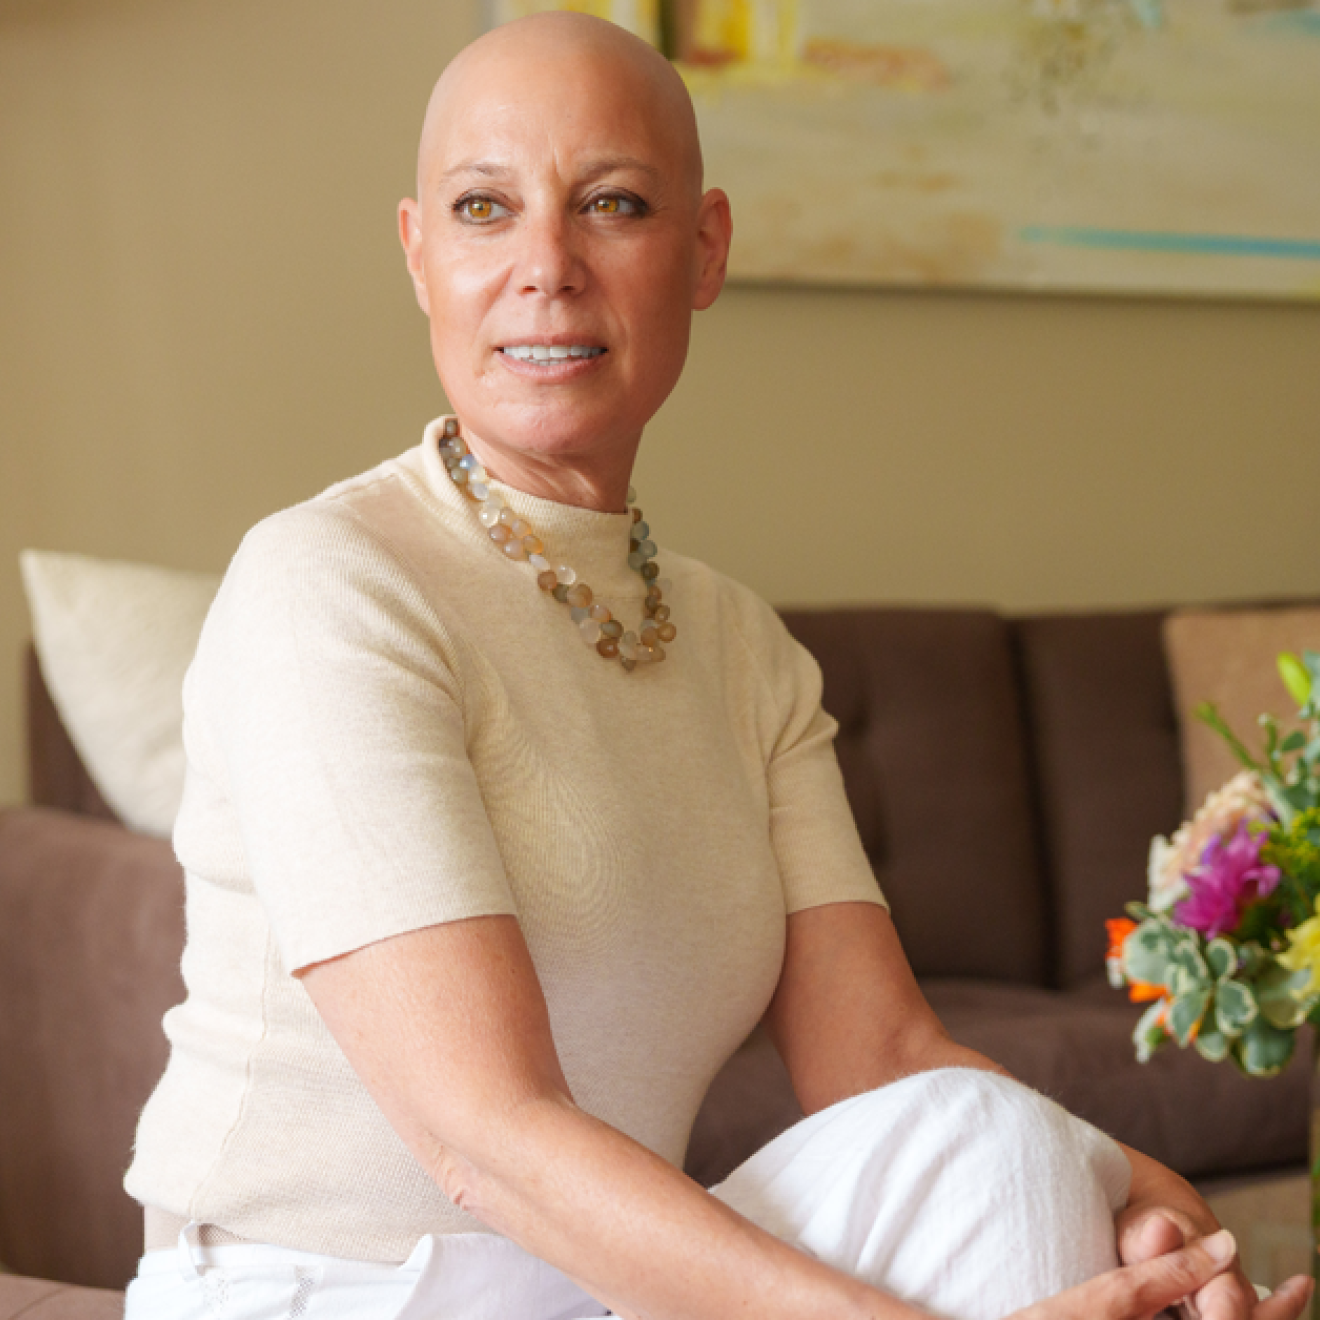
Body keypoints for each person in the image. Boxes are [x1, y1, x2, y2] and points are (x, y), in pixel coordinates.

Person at [122, 12, 1311, 1320]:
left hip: (594, 1283)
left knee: (997, 1150)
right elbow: (483, 1135)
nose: (545, 267)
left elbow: (884, 1056)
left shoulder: (742, 647)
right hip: (321, 1291)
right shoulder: (332, 582)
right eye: (483, 209)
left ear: (704, 251)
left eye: (612, 204)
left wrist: (1158, 1211)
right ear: (419, 253)